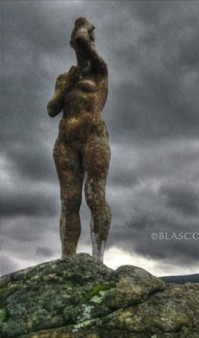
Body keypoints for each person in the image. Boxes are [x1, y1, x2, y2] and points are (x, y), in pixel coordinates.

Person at [47, 17, 111, 262]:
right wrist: (67, 87)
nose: (87, 41)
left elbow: (83, 39)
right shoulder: (65, 78)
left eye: (91, 38)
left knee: (94, 196)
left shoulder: (99, 72)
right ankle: (67, 258)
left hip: (93, 137)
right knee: (69, 199)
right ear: (70, 44)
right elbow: (52, 109)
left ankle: (98, 258)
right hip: (66, 141)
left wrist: (84, 29)